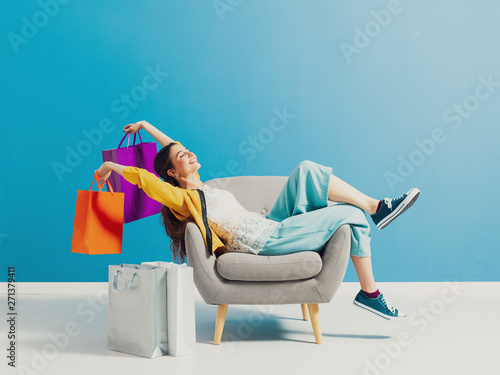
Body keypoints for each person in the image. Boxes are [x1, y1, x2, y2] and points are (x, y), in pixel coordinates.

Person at [97, 120, 420, 321]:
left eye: (187, 151)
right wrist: (111, 168)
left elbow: (173, 146)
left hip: (269, 224)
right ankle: (370, 294)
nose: (189, 153)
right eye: (182, 157)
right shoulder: (185, 200)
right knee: (350, 216)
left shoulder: (203, 186)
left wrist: (146, 124)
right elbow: (146, 180)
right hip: (264, 241)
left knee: (307, 169)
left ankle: (376, 206)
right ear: (172, 173)